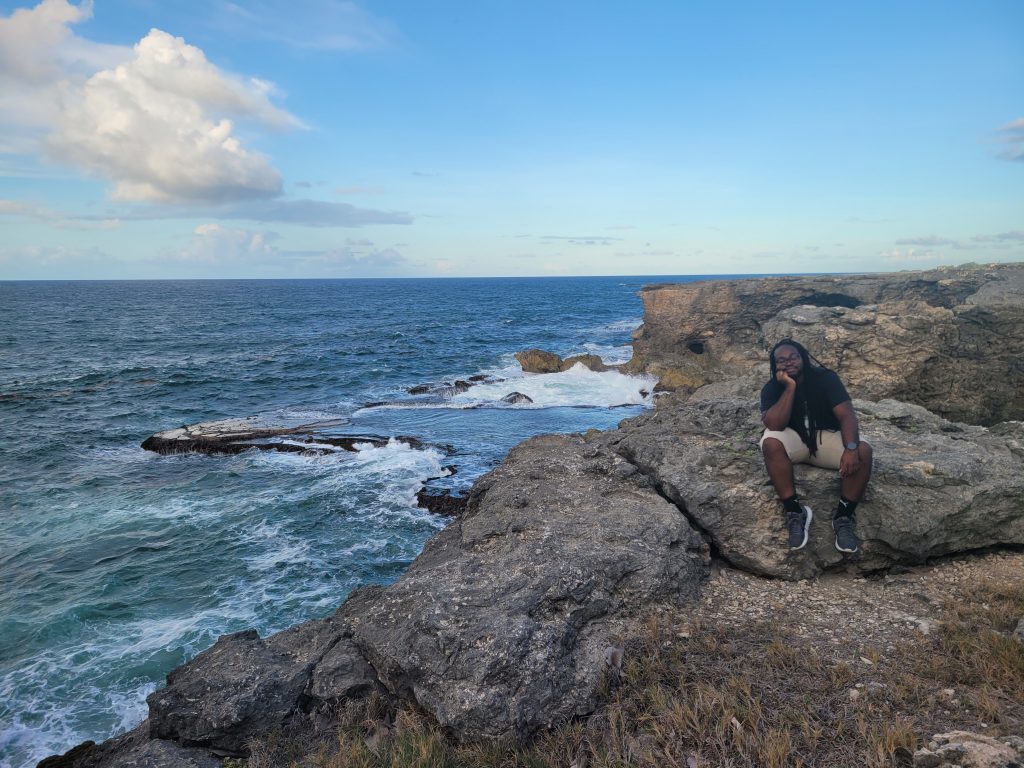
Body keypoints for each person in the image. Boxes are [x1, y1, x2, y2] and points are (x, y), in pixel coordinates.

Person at [759, 339, 873, 553]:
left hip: (826, 436)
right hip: (795, 439)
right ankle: (795, 513)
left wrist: (850, 448)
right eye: (781, 360)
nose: (789, 362)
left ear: (802, 357)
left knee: (863, 451)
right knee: (771, 443)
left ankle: (843, 518)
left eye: (793, 357)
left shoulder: (825, 379)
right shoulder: (772, 388)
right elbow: (775, 424)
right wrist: (790, 388)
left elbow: (847, 415)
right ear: (775, 366)